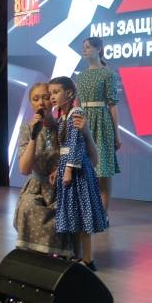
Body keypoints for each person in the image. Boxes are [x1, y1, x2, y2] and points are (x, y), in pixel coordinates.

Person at [15, 83, 96, 256]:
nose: (41, 103)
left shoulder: (64, 125)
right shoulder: (27, 129)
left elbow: (92, 159)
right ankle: (33, 255)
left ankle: (67, 256)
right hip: (36, 188)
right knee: (28, 206)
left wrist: (87, 133)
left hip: (61, 187)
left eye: (45, 97)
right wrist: (33, 137)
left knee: (66, 209)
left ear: (53, 100)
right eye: (35, 99)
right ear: (31, 103)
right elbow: (24, 169)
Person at [48, 76, 108, 270]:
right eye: (50, 93)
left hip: (77, 172)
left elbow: (75, 145)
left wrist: (68, 170)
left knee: (82, 216)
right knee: (72, 214)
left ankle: (88, 260)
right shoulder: (62, 117)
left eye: (56, 92)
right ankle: (74, 255)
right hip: (68, 168)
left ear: (69, 93)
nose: (52, 97)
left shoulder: (76, 113)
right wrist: (59, 168)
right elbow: (63, 148)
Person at [75, 37, 121, 210]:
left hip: (102, 123)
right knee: (84, 168)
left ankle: (103, 214)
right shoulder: (81, 76)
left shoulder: (108, 74)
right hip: (83, 121)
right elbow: (77, 103)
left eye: (88, 47)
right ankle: (88, 211)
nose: (84, 50)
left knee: (104, 170)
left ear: (99, 49)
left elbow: (112, 105)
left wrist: (117, 134)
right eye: (83, 47)